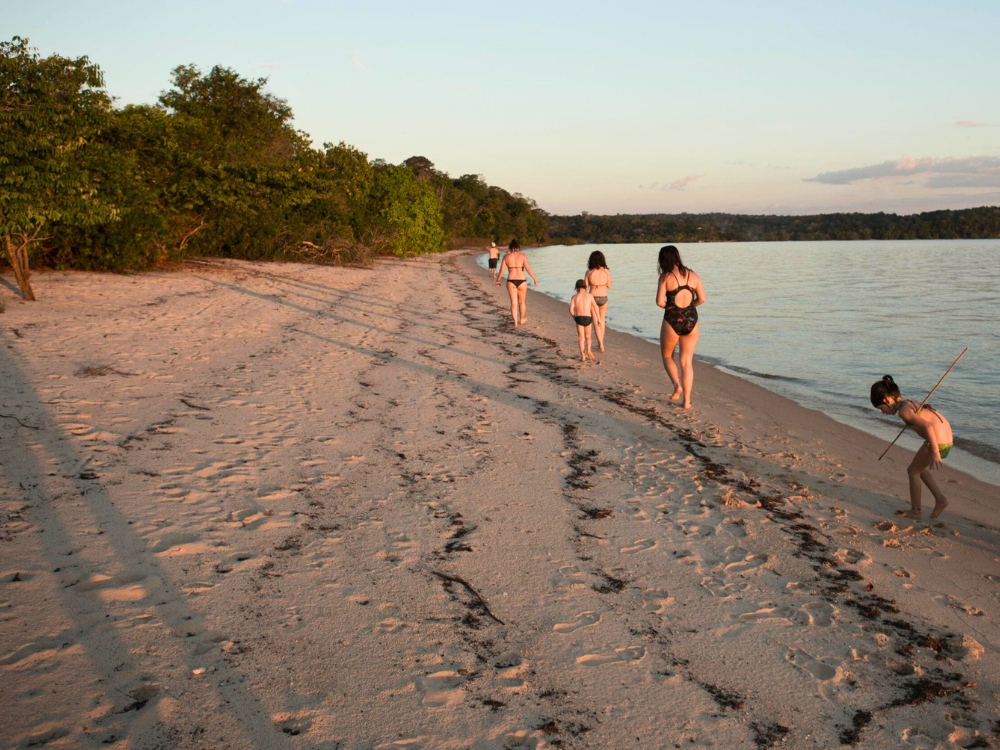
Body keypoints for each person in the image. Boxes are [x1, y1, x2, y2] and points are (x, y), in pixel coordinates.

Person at [870, 375, 953, 520]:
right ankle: (940, 500)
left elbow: (928, 426)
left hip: (937, 441)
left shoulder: (904, 411)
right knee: (919, 469)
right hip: (946, 439)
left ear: (887, 400)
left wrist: (935, 453)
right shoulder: (908, 403)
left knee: (912, 471)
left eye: (881, 408)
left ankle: (916, 511)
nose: (883, 412)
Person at [655, 245, 706, 409]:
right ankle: (687, 402)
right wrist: (689, 308)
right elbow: (702, 299)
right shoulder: (693, 275)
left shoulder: (665, 277)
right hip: (691, 319)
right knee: (686, 361)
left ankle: (677, 385)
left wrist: (672, 309)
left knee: (667, 356)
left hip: (672, 319)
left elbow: (659, 302)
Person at [496, 239, 537, 327]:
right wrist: (535, 279)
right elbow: (528, 268)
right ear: (518, 248)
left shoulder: (506, 257)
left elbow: (502, 271)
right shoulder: (523, 255)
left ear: (510, 248)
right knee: (522, 302)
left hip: (511, 281)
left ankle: (515, 323)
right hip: (522, 281)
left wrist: (498, 280)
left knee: (514, 303)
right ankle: (522, 318)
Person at [584, 251, 612, 353]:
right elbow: (609, 285)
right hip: (604, 297)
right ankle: (601, 343)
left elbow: (585, 288)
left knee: (596, 322)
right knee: (602, 321)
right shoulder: (606, 271)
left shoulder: (589, 272)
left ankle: (600, 344)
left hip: (593, 298)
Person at [569, 279, 596, 362]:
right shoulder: (590, 296)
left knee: (581, 338)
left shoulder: (574, 297)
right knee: (588, 337)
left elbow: (571, 310)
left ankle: (583, 356)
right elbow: (595, 307)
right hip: (588, 317)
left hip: (579, 318)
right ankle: (588, 350)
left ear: (577, 287)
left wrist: (574, 317)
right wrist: (598, 318)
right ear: (585, 287)